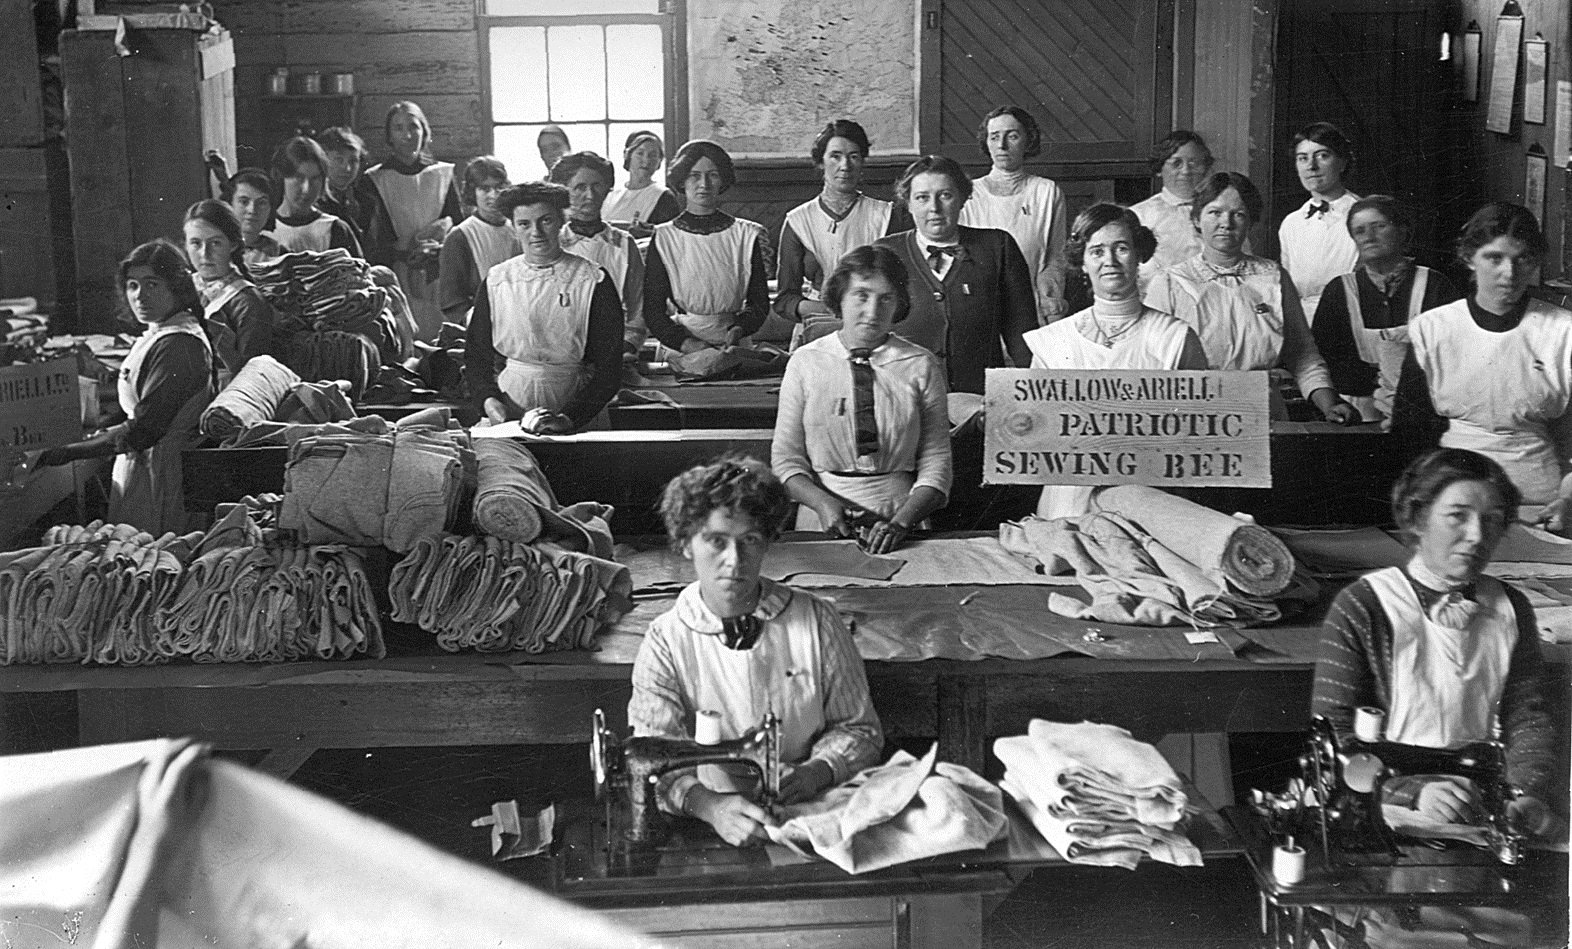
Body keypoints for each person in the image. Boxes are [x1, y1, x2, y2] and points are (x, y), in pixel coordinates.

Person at [628, 456, 884, 846]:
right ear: (685, 545)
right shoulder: (666, 639)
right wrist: (710, 806)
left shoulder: (817, 621)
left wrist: (817, 771)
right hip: (708, 824)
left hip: (811, 805)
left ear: (767, 543)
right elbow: (651, 757)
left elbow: (860, 728)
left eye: (749, 541)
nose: (734, 561)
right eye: (716, 541)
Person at [1314, 448, 1556, 834]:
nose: (1476, 536)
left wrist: (1525, 793)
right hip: (1387, 803)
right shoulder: (1362, 606)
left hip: (1482, 803)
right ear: (1419, 518)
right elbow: (1336, 734)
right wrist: (1410, 791)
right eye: (1457, 516)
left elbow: (1527, 717)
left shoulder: (1512, 607)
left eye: (1492, 521)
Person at [1023, 204, 1208, 519]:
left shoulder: (1175, 337)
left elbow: (1200, 431)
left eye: (1121, 248)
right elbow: (1035, 426)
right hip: (1067, 503)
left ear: (1139, 256)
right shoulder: (1054, 340)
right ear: (1082, 262)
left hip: (1149, 500)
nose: (1109, 261)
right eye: (1096, 251)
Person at [1393, 203, 1572, 527]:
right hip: (1452, 499)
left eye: (1523, 259)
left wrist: (1568, 500)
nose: (1510, 272)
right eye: (1495, 258)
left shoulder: (1563, 331)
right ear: (1469, 258)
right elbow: (1410, 434)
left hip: (1541, 506)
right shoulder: (1433, 328)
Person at [771, 244, 950, 553]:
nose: (873, 312)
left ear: (899, 304)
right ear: (840, 298)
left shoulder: (921, 364)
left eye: (886, 299)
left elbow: (937, 460)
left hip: (901, 515)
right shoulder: (806, 361)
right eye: (862, 295)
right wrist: (824, 505)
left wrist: (902, 521)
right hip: (822, 515)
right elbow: (786, 459)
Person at [1143, 171, 1358, 423]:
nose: (1226, 222)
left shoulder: (1273, 276)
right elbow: (1153, 367)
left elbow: (1303, 356)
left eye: (1239, 214)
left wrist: (1328, 403)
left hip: (1265, 410)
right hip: (1194, 415)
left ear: (1250, 222)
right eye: (1215, 212)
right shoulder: (1169, 283)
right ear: (1197, 219)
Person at [34, 240, 214, 534]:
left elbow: (143, 430)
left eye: (152, 284)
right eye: (132, 285)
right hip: (149, 468)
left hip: (163, 477)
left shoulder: (179, 345)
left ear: (176, 288)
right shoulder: (161, 333)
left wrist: (70, 451)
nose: (139, 296)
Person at [464, 182, 623, 434]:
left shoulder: (593, 279)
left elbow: (609, 369)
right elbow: (476, 357)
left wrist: (570, 418)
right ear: (514, 228)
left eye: (545, 220)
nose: (535, 232)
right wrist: (489, 401)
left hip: (575, 402)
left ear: (562, 221)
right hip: (510, 403)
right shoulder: (498, 279)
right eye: (524, 224)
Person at [874, 154, 1036, 396]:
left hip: (980, 401)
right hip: (905, 399)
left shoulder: (997, 247)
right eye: (922, 198)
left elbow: (1022, 335)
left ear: (962, 198)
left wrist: (1030, 396)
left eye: (945, 195)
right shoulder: (886, 251)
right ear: (907, 203)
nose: (934, 208)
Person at [1311, 196, 1460, 425]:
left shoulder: (1434, 285)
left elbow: (1453, 356)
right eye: (1359, 231)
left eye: (1379, 226)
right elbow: (1320, 357)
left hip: (1421, 412)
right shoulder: (1339, 290)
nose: (1369, 237)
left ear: (1403, 232)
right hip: (1353, 414)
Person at [773, 120, 903, 334]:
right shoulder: (799, 221)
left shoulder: (885, 216)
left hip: (872, 320)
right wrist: (828, 310)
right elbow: (785, 300)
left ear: (862, 162)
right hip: (817, 322)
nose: (845, 166)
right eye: (835, 156)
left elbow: (900, 286)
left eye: (853, 156)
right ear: (821, 161)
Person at [642, 140, 770, 354]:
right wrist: (687, 344)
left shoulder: (745, 235)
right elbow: (653, 310)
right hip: (682, 346)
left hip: (734, 344)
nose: (704, 184)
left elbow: (759, 303)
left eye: (713, 175)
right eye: (694, 175)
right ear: (682, 181)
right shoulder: (665, 237)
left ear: (722, 181)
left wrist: (740, 329)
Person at [360, 101, 463, 342]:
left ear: (425, 132)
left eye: (414, 127)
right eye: (398, 128)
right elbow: (375, 239)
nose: (407, 135)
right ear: (389, 136)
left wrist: (438, 249)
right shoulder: (375, 179)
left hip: (438, 272)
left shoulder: (442, 174)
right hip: (398, 274)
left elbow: (458, 227)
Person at [958, 106, 1068, 323]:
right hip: (980, 307)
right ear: (986, 142)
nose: (1002, 145)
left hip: (1031, 305)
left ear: (1028, 141)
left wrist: (1049, 301)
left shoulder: (1046, 191)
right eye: (994, 137)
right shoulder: (967, 193)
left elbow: (1057, 256)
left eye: (1013, 136)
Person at [550, 151, 647, 359]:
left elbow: (639, 307)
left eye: (597, 186)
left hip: (615, 350)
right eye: (580, 187)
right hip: (560, 354)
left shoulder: (623, 244)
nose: (590, 195)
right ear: (564, 191)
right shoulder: (552, 243)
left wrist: (626, 346)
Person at [181, 199, 278, 382]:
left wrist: (224, 347)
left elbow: (258, 377)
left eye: (215, 243)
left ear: (233, 244)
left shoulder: (248, 302)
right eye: (195, 243)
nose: (204, 254)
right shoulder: (181, 289)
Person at [1279, 122, 1360, 324]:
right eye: (1302, 158)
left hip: (1347, 321)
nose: (1311, 166)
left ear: (1342, 163)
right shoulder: (1292, 222)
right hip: (1299, 325)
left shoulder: (1361, 215)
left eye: (1322, 156)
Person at [438, 155, 518, 329]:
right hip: (482, 327)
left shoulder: (519, 228)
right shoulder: (460, 237)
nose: (493, 195)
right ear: (472, 192)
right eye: (485, 188)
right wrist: (478, 323)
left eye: (499, 187)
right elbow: (451, 300)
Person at [1129, 130, 1215, 289]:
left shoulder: (1220, 212)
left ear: (1206, 168)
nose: (1186, 171)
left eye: (1194, 163)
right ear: (1159, 169)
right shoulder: (1139, 215)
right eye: (1176, 163)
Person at [266, 137, 363, 256]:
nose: (306, 189)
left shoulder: (335, 229)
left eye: (315, 179)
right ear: (282, 178)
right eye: (298, 178)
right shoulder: (262, 228)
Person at [602, 130, 680, 236]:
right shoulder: (611, 195)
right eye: (640, 153)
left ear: (659, 162)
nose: (646, 160)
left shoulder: (664, 197)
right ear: (628, 155)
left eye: (653, 155)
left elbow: (669, 237)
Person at [315, 126, 370, 243]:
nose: (347, 168)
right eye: (339, 159)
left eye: (353, 161)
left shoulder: (367, 201)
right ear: (324, 159)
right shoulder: (313, 202)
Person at [220, 167, 284, 268]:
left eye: (261, 203)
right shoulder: (214, 249)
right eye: (244, 202)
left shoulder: (281, 254)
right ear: (230, 204)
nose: (252, 210)